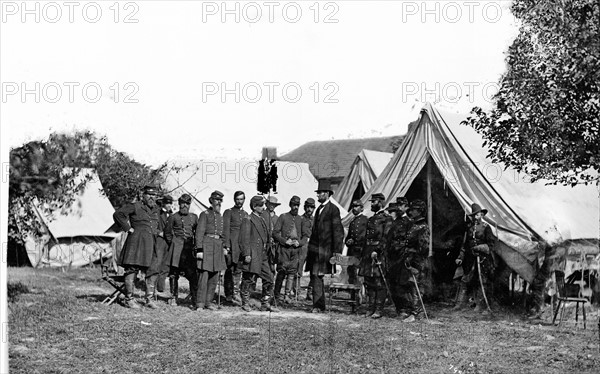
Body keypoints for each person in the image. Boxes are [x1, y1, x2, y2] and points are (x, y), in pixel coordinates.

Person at [112, 184, 160, 309]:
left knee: (153, 269)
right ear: (143, 195)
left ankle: (149, 299)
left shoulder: (156, 209)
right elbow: (118, 214)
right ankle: (129, 299)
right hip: (136, 242)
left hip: (151, 243)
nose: (151, 197)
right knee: (132, 269)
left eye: (154, 195)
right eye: (149, 194)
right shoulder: (135, 206)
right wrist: (128, 228)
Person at [305, 180, 344, 313]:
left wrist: (337, 252)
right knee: (315, 276)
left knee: (317, 276)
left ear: (327, 194)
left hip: (325, 251)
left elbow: (338, 232)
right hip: (315, 251)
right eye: (318, 193)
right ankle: (318, 305)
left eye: (320, 193)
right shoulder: (318, 209)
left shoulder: (333, 209)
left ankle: (318, 306)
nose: (318, 196)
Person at [239, 196, 279, 312]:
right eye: (261, 205)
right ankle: (245, 303)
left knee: (269, 278)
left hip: (263, 255)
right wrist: (246, 254)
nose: (263, 207)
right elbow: (244, 239)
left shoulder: (262, 219)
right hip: (253, 254)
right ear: (254, 206)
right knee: (248, 279)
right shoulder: (248, 219)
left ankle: (265, 303)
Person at [454, 203, 496, 315]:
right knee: (465, 279)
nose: (475, 218)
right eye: (473, 216)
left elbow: (491, 244)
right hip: (471, 259)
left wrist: (481, 247)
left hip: (483, 259)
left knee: (483, 281)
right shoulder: (469, 228)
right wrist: (460, 257)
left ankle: (482, 305)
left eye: (477, 215)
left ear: (481, 215)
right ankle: (460, 304)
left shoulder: (486, 228)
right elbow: (464, 245)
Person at [358, 193, 393, 319]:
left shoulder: (387, 219)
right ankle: (370, 308)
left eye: (374, 202)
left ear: (381, 203)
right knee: (369, 281)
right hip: (368, 252)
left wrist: (378, 251)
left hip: (379, 254)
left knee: (379, 282)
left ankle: (378, 309)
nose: (371, 204)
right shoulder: (371, 218)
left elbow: (386, 238)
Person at [272, 196, 311, 305]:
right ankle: (276, 295)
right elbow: (275, 233)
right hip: (284, 250)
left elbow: (305, 236)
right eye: (294, 205)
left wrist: (300, 243)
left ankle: (287, 295)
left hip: (295, 251)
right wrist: (284, 241)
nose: (295, 207)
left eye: (297, 205)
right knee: (281, 272)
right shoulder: (283, 217)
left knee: (291, 274)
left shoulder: (301, 219)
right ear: (290, 205)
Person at [163, 194, 198, 307]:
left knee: (192, 274)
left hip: (188, 249)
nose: (185, 205)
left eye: (187, 203)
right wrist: (174, 243)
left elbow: (197, 232)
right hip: (177, 248)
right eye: (182, 203)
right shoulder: (173, 217)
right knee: (174, 274)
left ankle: (194, 298)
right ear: (179, 204)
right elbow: (167, 233)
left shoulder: (194, 217)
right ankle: (174, 297)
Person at [195, 190, 227, 311]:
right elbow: (199, 232)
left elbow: (223, 234)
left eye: (220, 200)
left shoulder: (220, 216)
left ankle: (208, 302)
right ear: (211, 201)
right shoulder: (205, 214)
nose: (218, 202)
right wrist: (199, 249)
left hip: (217, 247)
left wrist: (224, 247)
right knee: (204, 276)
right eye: (216, 200)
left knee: (214, 277)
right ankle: (200, 304)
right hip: (207, 245)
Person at [402, 199, 430, 322]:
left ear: (419, 211)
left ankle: (416, 313)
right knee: (411, 287)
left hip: (418, 261)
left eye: (413, 210)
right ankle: (413, 311)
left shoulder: (423, 227)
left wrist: (412, 258)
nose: (411, 212)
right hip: (411, 259)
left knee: (417, 287)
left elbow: (423, 248)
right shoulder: (414, 225)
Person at [385, 197, 413, 318]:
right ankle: (399, 308)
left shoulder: (409, 222)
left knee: (402, 284)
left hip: (402, 257)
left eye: (402, 205)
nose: (399, 208)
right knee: (393, 283)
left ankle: (405, 309)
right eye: (398, 205)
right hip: (392, 257)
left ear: (406, 207)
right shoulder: (395, 222)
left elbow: (410, 241)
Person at [222, 191, 248, 306]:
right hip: (232, 245)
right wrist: (226, 245)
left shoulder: (246, 214)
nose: (239, 201)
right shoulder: (229, 212)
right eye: (237, 199)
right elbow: (225, 230)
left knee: (238, 270)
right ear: (234, 199)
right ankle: (228, 294)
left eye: (241, 199)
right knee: (229, 270)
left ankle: (235, 293)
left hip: (241, 246)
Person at [147, 194, 173, 295]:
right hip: (160, 241)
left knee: (166, 265)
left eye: (170, 203)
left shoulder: (172, 215)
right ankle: (151, 288)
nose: (169, 205)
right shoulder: (157, 213)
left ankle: (160, 287)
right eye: (167, 203)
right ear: (163, 203)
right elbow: (152, 226)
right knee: (156, 263)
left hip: (168, 242)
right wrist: (159, 233)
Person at [295, 198, 315, 300]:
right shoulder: (300, 219)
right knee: (299, 269)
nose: (309, 209)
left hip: (313, 247)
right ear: (304, 207)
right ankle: (296, 291)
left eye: (311, 207)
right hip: (303, 246)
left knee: (313, 270)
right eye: (308, 207)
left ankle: (310, 292)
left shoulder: (315, 219)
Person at [345, 199, 368, 285]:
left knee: (359, 274)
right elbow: (348, 237)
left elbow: (365, 236)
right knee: (351, 272)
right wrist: (348, 241)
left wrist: (355, 241)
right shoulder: (352, 222)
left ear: (362, 208)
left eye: (356, 206)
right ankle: (352, 294)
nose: (353, 209)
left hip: (360, 251)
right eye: (352, 207)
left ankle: (360, 296)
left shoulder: (365, 220)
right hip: (351, 251)